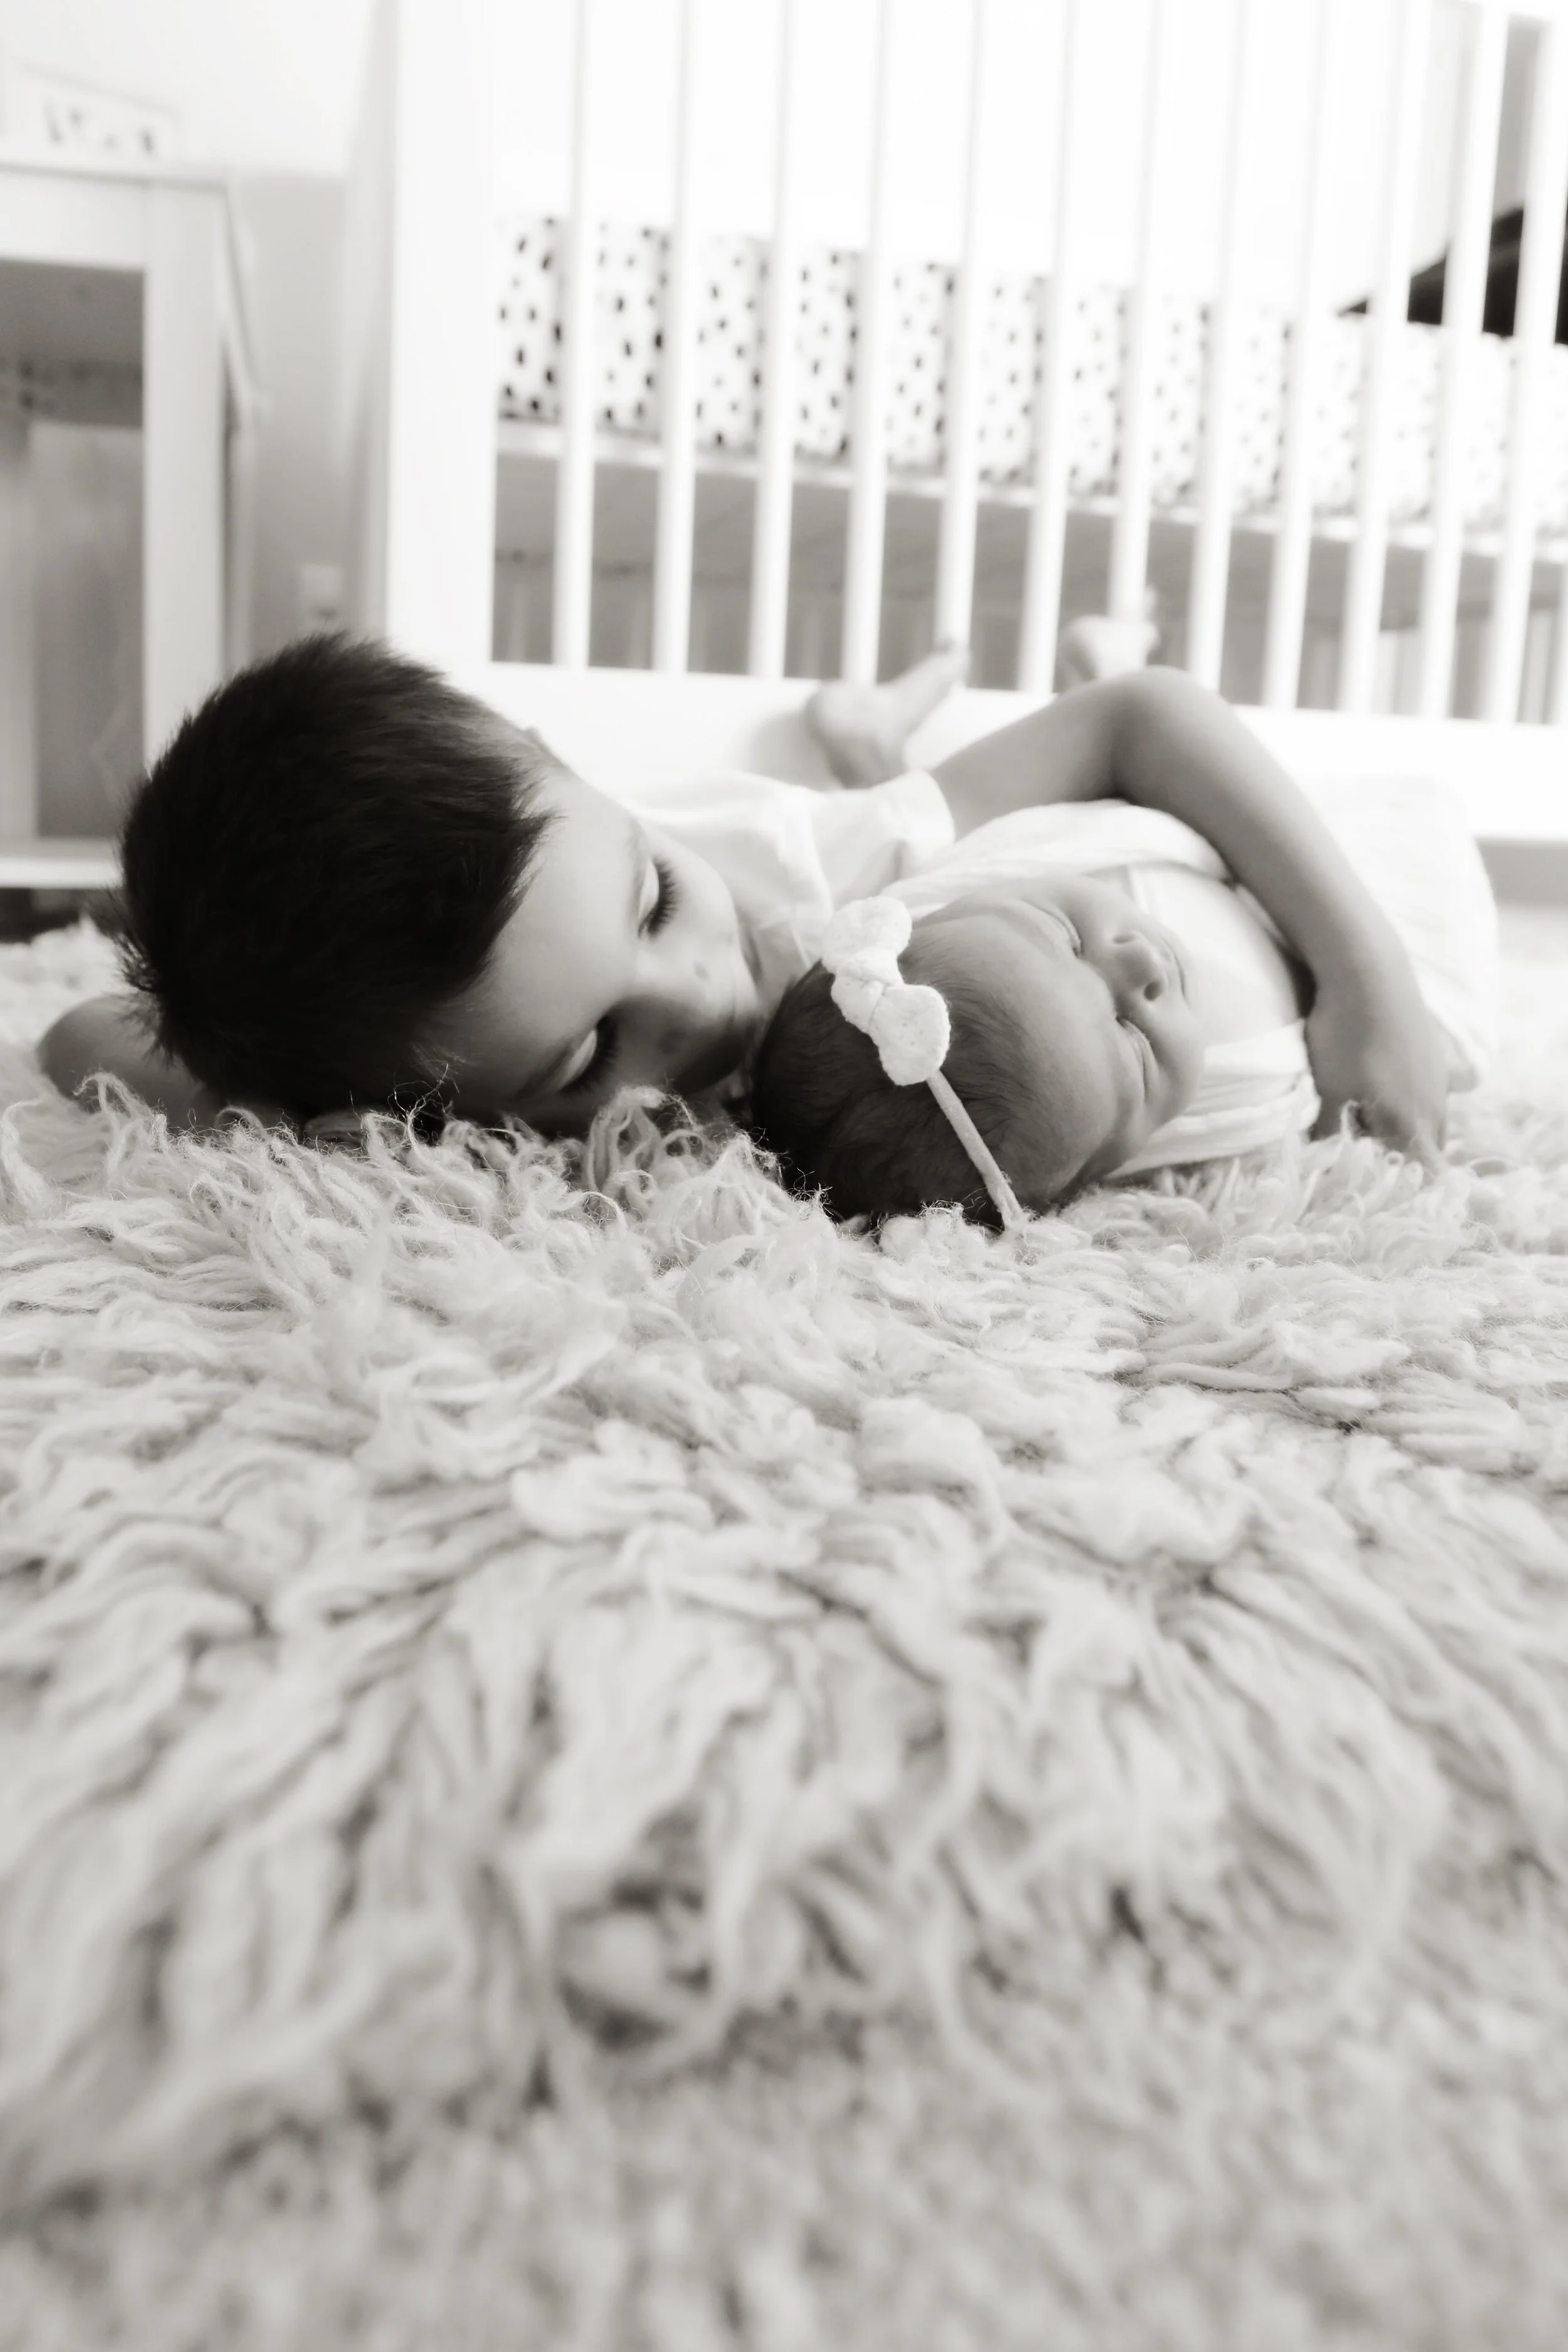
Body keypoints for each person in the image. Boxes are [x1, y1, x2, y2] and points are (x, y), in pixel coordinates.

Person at [37, 631, 1458, 1199]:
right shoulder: (444, 1051)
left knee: (958, 795)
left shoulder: (801, 881)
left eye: (658, 905)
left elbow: (1146, 723)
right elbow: (82, 1033)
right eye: (593, 1054)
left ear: (570, 764)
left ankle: (880, 733)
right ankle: (866, 727)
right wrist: (298, 1102)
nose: (708, 998)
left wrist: (1367, 983)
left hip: (912, 825)